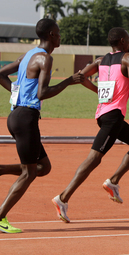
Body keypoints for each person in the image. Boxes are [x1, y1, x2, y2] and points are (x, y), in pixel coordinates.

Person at [52, 27, 129, 223]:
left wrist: (98, 91)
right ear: (123, 41)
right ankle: (63, 198)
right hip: (113, 116)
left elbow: (81, 76)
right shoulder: (128, 59)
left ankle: (113, 181)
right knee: (93, 159)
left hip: (104, 115)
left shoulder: (101, 60)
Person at [0, 18, 84, 233]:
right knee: (29, 173)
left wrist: (16, 93)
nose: (60, 36)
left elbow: (0, 74)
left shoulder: (27, 55)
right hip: (26, 118)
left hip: (17, 116)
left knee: (43, 168)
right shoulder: (45, 59)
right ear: (50, 35)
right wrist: (68, 81)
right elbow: (42, 93)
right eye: (57, 32)